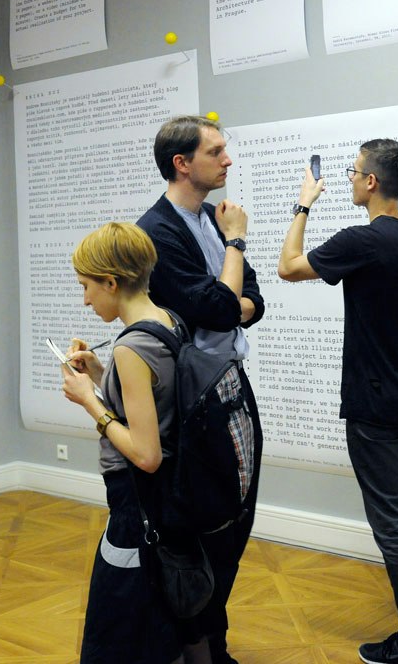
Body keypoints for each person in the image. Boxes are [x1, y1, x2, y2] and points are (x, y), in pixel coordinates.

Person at [278, 139, 398, 664]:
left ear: (372, 182)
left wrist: (304, 203)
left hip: (376, 407)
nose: (351, 179)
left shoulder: (364, 239)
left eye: (354, 172)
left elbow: (288, 266)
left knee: (392, 520)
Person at [136, 115, 263, 664]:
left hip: (230, 380)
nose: (227, 160)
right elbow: (216, 307)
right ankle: (201, 649)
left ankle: (216, 643)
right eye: (215, 152)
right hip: (192, 398)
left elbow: (252, 299)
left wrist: (232, 304)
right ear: (181, 163)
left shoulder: (213, 216)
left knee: (237, 515)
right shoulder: (157, 232)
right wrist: (235, 246)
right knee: (205, 525)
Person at [61, 222, 203, 664]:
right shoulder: (167, 321)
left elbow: (145, 453)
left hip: (137, 501)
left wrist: (90, 402)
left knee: (116, 627)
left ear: (110, 282)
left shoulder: (131, 346)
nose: (85, 300)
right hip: (168, 499)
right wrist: (100, 374)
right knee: (157, 617)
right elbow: (152, 404)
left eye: (86, 286)